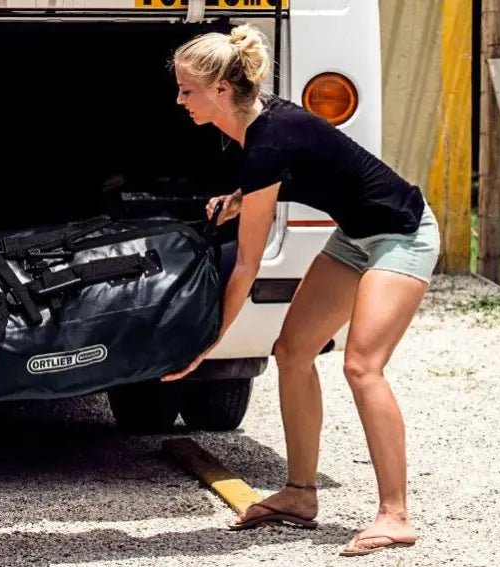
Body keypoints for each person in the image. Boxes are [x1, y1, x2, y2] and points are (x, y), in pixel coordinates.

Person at [161, 25, 439, 558]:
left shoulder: (266, 142)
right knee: (292, 351)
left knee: (362, 365)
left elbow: (247, 266)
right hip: (355, 237)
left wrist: (207, 344)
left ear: (221, 89)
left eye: (186, 89)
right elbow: (297, 164)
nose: (179, 100)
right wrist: (243, 198)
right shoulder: (261, 129)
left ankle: (395, 515)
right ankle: (299, 493)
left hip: (402, 233)